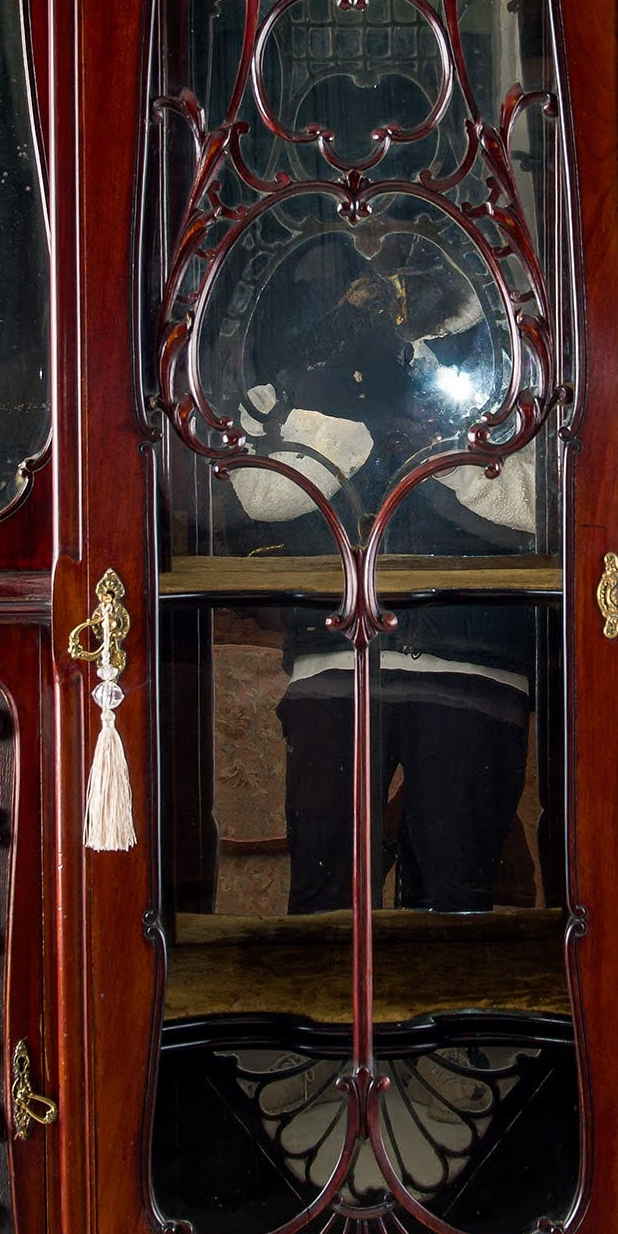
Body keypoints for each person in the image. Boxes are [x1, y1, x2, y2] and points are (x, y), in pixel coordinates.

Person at [228, 232, 539, 915]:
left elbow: (543, 505)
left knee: (456, 900)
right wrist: (341, 390)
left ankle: (451, 1027)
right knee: (326, 900)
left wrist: (424, 413)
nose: (384, 241)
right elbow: (263, 495)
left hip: (474, 652)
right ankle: (324, 1027)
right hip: (334, 657)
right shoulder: (303, 326)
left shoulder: (516, 336)